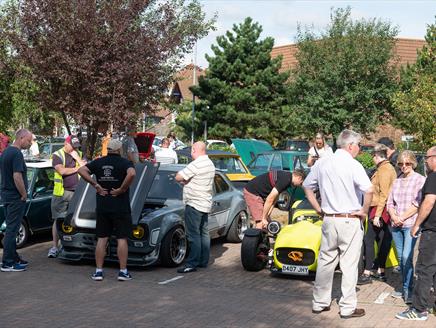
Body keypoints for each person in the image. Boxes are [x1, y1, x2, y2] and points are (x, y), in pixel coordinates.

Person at [303, 129, 373, 319]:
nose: (359, 148)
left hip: (329, 218)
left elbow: (307, 186)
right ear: (350, 146)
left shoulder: (323, 162)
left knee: (326, 261)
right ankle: (347, 307)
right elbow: (369, 189)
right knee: (349, 265)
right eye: (358, 145)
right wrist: (364, 211)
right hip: (349, 219)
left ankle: (320, 302)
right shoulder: (353, 165)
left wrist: (318, 208)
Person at [78, 139, 136, 281]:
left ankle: (98, 271)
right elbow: (132, 174)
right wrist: (122, 189)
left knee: (102, 238)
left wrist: (95, 184)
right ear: (119, 150)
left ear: (108, 149)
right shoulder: (124, 163)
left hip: (103, 205)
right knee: (122, 238)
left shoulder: (98, 162)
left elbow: (81, 170)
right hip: (120, 206)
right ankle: (123, 272)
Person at [396, 146, 436, 321]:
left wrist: (417, 224)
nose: (425, 161)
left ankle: (419, 309)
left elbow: (428, 201)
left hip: (432, 231)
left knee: (424, 269)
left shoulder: (433, 177)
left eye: (427, 158)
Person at [387, 150, 425, 304]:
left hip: (410, 224)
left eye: (407, 163)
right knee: (402, 259)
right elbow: (390, 203)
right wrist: (394, 217)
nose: (404, 166)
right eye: (401, 164)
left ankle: (408, 290)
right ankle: (405, 286)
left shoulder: (420, 180)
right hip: (396, 225)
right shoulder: (396, 181)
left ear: (413, 163)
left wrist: (401, 217)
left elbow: (418, 204)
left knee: (406, 257)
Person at [358, 144, 396, 285]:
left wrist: (378, 215)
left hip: (380, 209)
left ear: (377, 155)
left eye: (373, 156)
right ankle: (380, 270)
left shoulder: (385, 170)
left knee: (369, 239)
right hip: (381, 209)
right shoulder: (385, 168)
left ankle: (368, 272)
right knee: (382, 240)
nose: (372, 158)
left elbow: (384, 194)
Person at [175, 141, 215, 273]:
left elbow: (178, 177)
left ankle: (191, 263)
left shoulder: (196, 164)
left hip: (194, 203)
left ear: (194, 150)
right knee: (204, 233)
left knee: (193, 235)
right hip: (205, 202)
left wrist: (185, 181)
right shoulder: (210, 163)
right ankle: (203, 261)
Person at [48, 135, 86, 258]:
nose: (74, 149)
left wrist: (77, 159)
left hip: (77, 192)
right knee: (58, 219)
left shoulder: (78, 154)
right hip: (61, 193)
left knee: (76, 219)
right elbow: (62, 171)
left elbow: (86, 169)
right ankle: (55, 246)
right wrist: (77, 168)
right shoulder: (57, 155)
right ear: (66, 143)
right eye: (72, 146)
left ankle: (74, 244)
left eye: (76, 146)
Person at [0, 129, 33, 272]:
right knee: (12, 230)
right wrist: (24, 193)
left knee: (11, 228)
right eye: (29, 140)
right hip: (15, 197)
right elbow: (17, 176)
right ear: (21, 138)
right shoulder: (17, 153)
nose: (30, 143)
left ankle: (13, 257)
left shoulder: (6, 152)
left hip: (7, 195)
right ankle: (8, 262)